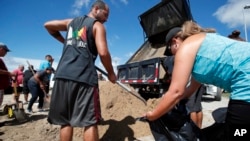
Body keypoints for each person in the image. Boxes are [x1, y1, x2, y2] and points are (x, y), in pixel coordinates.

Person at [144, 21, 250, 140]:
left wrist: (153, 115)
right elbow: (189, 90)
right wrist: (172, 103)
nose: (173, 55)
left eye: (170, 51)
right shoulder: (202, 46)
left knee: (236, 134)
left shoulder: (186, 47)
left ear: (175, 42)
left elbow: (176, 92)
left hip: (246, 83)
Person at [44, 1, 117, 141]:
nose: (107, 18)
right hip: (84, 77)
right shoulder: (97, 25)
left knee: (65, 121)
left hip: (61, 76)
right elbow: (103, 53)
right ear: (96, 9)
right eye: (105, 14)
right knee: (90, 122)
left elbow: (48, 25)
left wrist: (65, 41)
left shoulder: (71, 22)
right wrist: (111, 73)